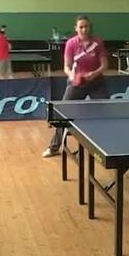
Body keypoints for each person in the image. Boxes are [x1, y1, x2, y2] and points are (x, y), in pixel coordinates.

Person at [42, 15, 109, 158]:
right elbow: (66, 66)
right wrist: (72, 76)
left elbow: (104, 65)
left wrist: (94, 74)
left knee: (105, 114)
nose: (84, 29)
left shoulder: (98, 42)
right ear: (76, 28)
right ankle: (54, 147)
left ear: (90, 27)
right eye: (81, 27)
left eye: (86, 26)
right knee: (63, 114)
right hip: (77, 83)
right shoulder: (71, 43)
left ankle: (106, 146)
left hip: (96, 83)